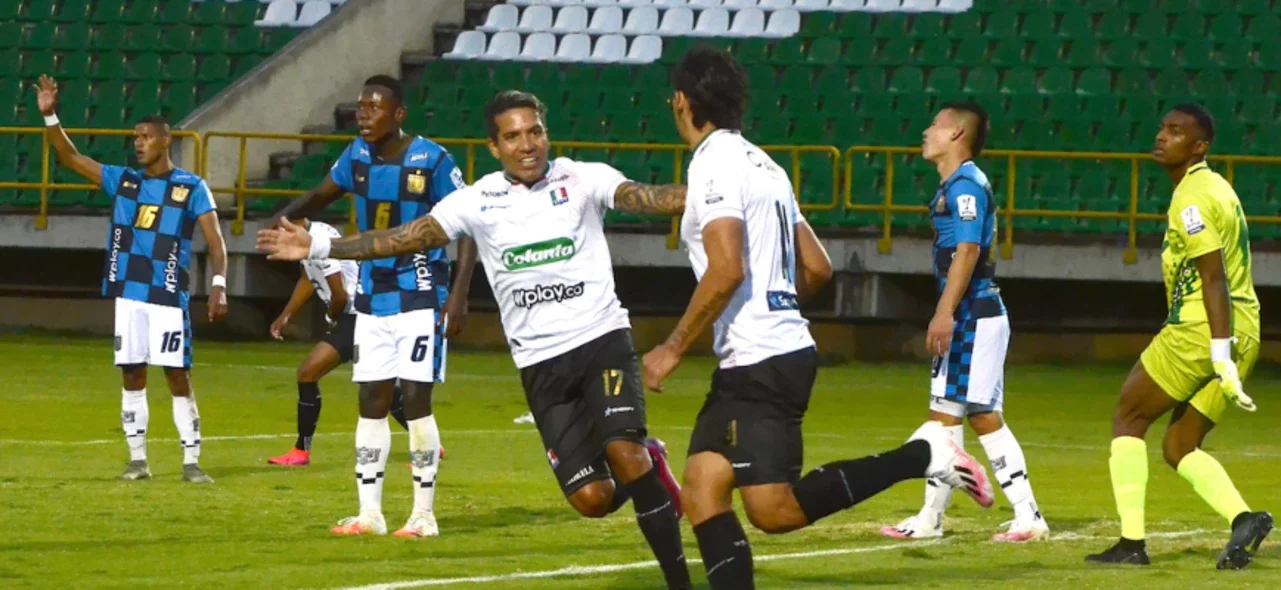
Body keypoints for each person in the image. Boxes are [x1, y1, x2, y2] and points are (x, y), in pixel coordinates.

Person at [258, 89, 694, 589]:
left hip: (601, 340)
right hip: (540, 364)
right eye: (512, 136)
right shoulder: (477, 199)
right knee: (592, 501)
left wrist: (712, 189)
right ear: (494, 145)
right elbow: (403, 237)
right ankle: (654, 461)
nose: (527, 144)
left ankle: (679, 578)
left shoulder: (583, 177)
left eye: (535, 132)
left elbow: (650, 197)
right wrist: (319, 243)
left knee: (625, 454)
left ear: (546, 134)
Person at [638, 47, 995, 589]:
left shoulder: (712, 162)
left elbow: (727, 268)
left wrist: (672, 346)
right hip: (765, 353)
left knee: (773, 511)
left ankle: (923, 453)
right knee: (703, 483)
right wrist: (776, 306)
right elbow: (818, 266)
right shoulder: (766, 165)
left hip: (762, 360)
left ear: (682, 101)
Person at [269, 75, 476, 538]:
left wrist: (459, 294)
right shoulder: (356, 156)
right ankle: (370, 514)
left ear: (398, 114)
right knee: (371, 401)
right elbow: (322, 194)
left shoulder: (433, 159)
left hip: (421, 294)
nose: (363, 115)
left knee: (417, 402)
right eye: (360, 107)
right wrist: (283, 218)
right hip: (371, 296)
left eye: (374, 107)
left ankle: (423, 515)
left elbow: (467, 225)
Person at [1086, 104, 1272, 569]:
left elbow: (1213, 279)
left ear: (1199, 146)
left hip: (1202, 330)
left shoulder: (1192, 197)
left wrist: (1218, 353)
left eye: (1175, 132)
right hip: (1243, 328)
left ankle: (1131, 545)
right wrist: (1229, 353)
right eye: (1162, 129)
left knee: (1129, 416)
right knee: (1179, 447)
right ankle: (1244, 519)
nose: (1161, 137)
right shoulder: (1219, 189)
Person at [36, 75, 227, 484]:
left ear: (165, 141)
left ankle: (192, 461)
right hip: (129, 293)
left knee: (176, 374)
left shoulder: (191, 187)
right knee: (131, 373)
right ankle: (137, 460)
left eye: (145, 136)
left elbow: (215, 240)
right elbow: (69, 158)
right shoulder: (123, 181)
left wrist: (218, 285)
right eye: (135, 136)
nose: (138, 142)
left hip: (168, 296)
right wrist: (51, 116)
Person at [880, 103, 1048, 543]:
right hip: (971, 313)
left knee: (964, 417)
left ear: (955, 133)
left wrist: (944, 311)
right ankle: (939, 518)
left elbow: (968, 251)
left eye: (934, 125)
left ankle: (1019, 516)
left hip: (973, 313)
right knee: (957, 419)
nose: (926, 131)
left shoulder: (966, 186)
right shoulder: (958, 184)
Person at [265, 218, 411, 466]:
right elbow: (306, 279)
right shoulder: (307, 238)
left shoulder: (320, 241)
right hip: (356, 317)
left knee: (308, 373)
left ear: (297, 222)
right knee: (379, 386)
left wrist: (330, 317)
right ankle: (428, 443)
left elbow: (340, 296)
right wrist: (286, 315)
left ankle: (301, 451)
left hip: (355, 316)